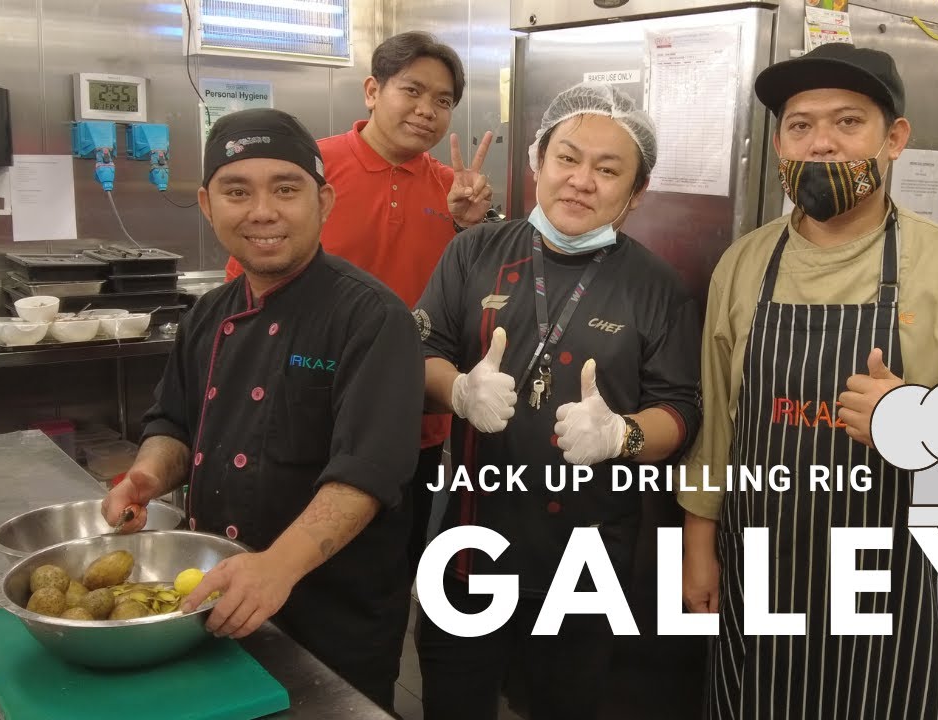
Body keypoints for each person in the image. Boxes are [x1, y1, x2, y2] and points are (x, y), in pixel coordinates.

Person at [677, 43, 938, 720]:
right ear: (780, 146)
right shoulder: (744, 264)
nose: (822, 143)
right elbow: (719, 422)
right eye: (800, 125)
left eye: (848, 122)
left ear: (894, 139)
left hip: (899, 574)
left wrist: (920, 419)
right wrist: (699, 543)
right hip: (765, 559)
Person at [102, 108, 423, 713]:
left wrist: (276, 567)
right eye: (236, 192)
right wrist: (146, 476)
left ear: (323, 201)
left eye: (286, 189)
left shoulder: (373, 317)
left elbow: (367, 473)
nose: (262, 211)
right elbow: (173, 423)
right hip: (212, 602)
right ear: (207, 204)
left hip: (330, 620)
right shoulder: (207, 313)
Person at [412, 82, 703, 720]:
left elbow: (681, 411)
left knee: (565, 702)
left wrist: (621, 434)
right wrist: (457, 389)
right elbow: (422, 354)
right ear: (538, 163)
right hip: (470, 538)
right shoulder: (474, 250)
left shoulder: (657, 286)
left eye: (608, 170)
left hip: (589, 555)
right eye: (567, 158)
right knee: (455, 700)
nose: (581, 181)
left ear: (636, 191)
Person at [223, 30, 494, 577]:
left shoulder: (455, 191)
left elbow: (472, 301)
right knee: (278, 567)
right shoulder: (310, 170)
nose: (427, 110)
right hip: (298, 409)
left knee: (386, 570)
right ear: (372, 90)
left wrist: (470, 228)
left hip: (409, 416)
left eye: (443, 101)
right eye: (412, 90)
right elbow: (248, 287)